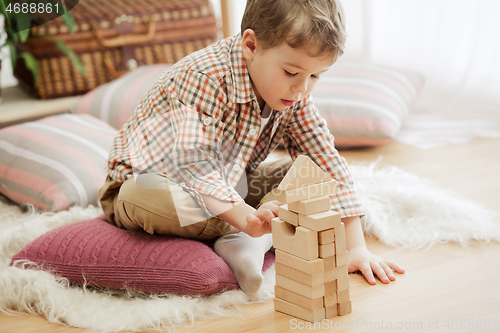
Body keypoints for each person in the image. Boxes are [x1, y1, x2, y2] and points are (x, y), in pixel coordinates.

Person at [99, 0, 404, 296]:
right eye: (291, 73)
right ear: (251, 46)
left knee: (314, 175)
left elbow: (324, 157)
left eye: (315, 76)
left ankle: (253, 238)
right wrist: (247, 218)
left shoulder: (294, 92)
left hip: (232, 184)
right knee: (141, 195)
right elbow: (194, 169)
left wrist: (356, 248)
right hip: (157, 184)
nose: (302, 88)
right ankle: (250, 232)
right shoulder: (203, 77)